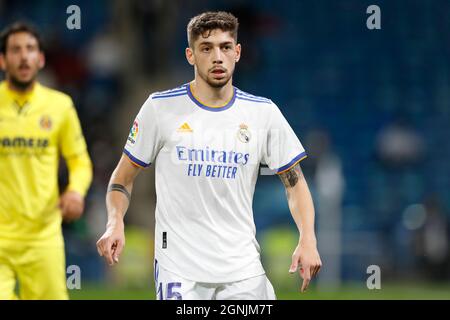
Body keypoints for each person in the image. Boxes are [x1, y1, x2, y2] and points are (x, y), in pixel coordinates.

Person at [97, 11, 321, 300]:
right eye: (206, 48)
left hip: (243, 269)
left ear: (237, 53)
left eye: (225, 47)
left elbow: (295, 183)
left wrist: (308, 238)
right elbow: (122, 178)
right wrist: (115, 221)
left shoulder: (262, 113)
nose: (218, 57)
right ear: (191, 55)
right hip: (179, 268)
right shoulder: (159, 108)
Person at [0, 22, 93, 300]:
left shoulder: (59, 105)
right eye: (15, 50)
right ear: (3, 60)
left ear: (40, 59)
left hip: (43, 235)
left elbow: (79, 160)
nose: (24, 56)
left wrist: (75, 191)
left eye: (30, 49)